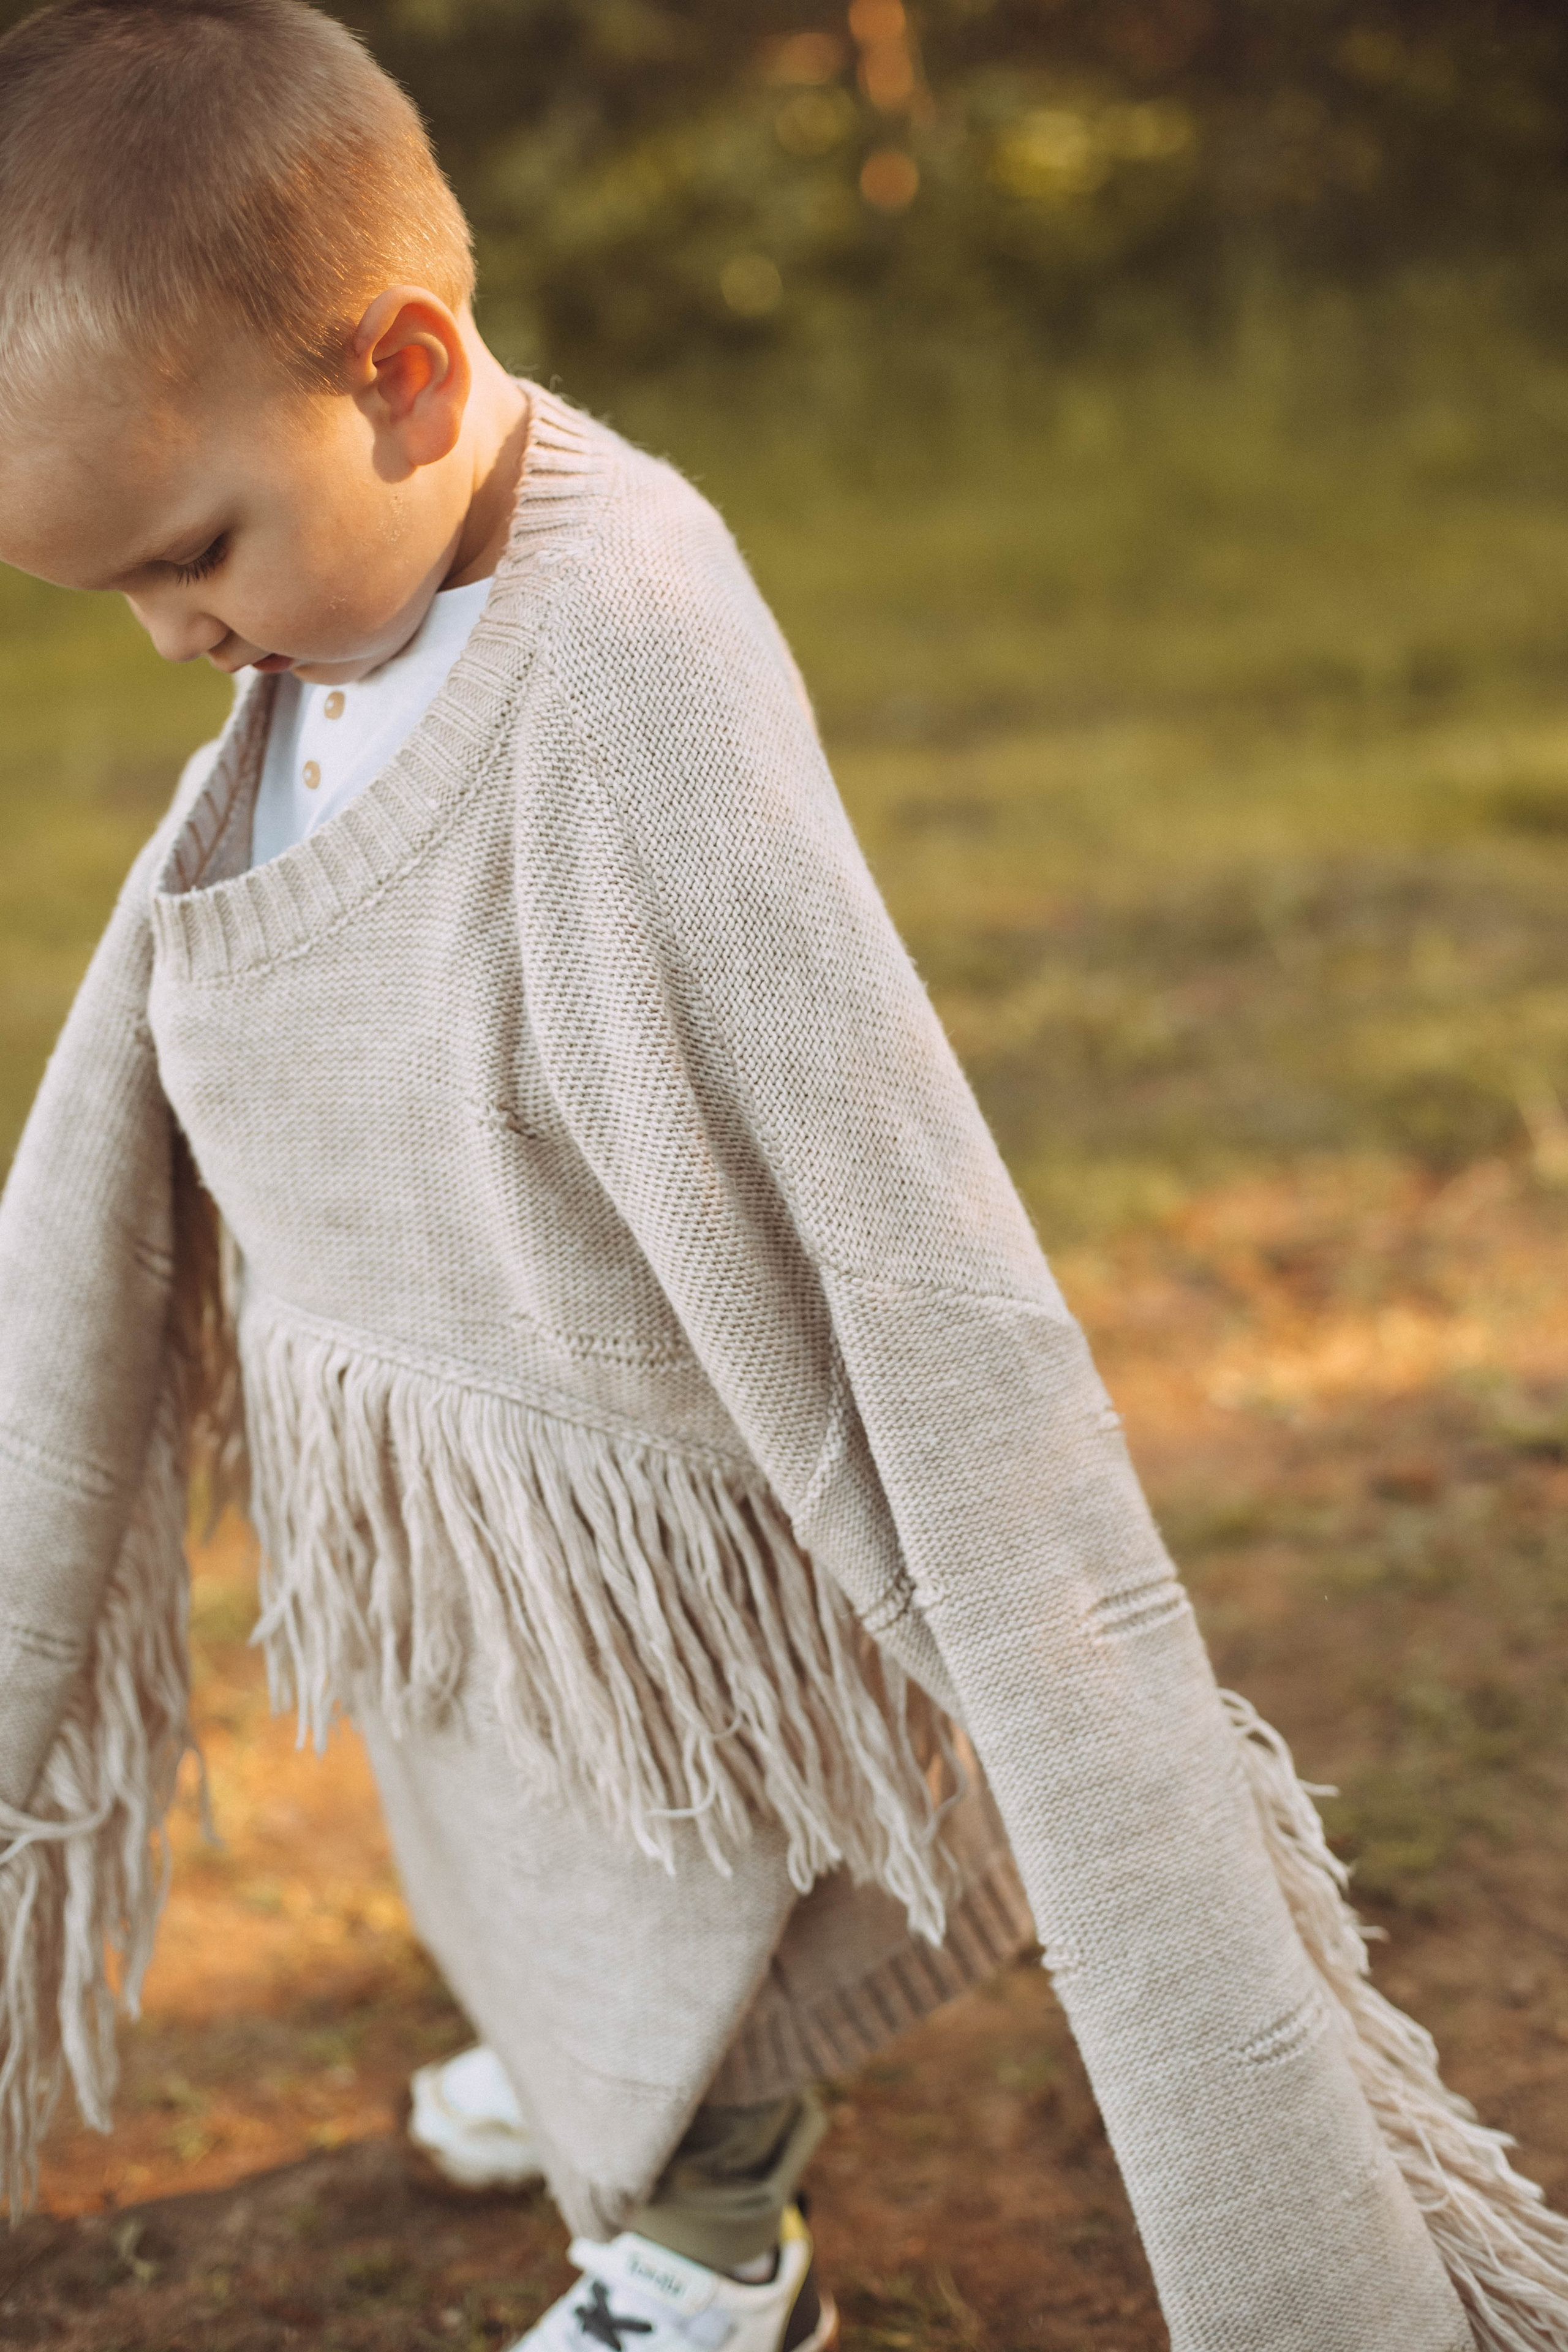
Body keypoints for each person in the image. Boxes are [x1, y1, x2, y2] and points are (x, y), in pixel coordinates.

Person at [0, 5, 1563, 2347]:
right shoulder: (358, 581)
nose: (170, 640)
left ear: (406, 376)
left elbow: (862, 1151)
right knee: (503, 1815)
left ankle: (706, 2229)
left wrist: (1013, 1581)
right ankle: (590, 2054)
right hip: (438, 1414)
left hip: (653, 1471)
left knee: (684, 1831)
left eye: (191, 553)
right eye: (114, 589)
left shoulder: (621, 648)